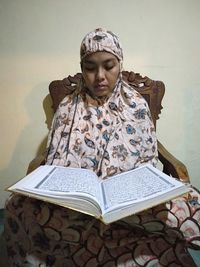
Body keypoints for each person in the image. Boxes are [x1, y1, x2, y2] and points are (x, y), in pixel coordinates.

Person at [4, 28, 200, 266]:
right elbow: (54, 162)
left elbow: (148, 161)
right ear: (81, 67)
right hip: (78, 207)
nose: (99, 76)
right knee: (18, 205)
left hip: (130, 204)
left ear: (120, 63)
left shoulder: (136, 105)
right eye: (90, 67)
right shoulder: (68, 107)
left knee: (189, 201)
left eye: (108, 66)